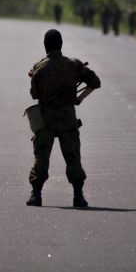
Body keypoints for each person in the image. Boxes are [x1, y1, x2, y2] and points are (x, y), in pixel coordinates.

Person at [26, 29, 101, 208]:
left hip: (46, 119)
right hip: (67, 117)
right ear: (61, 44)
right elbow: (95, 82)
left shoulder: (38, 67)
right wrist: (79, 99)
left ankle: (36, 195)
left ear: (45, 46)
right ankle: (78, 196)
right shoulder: (73, 65)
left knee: (41, 155)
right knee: (73, 156)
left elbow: (34, 94)